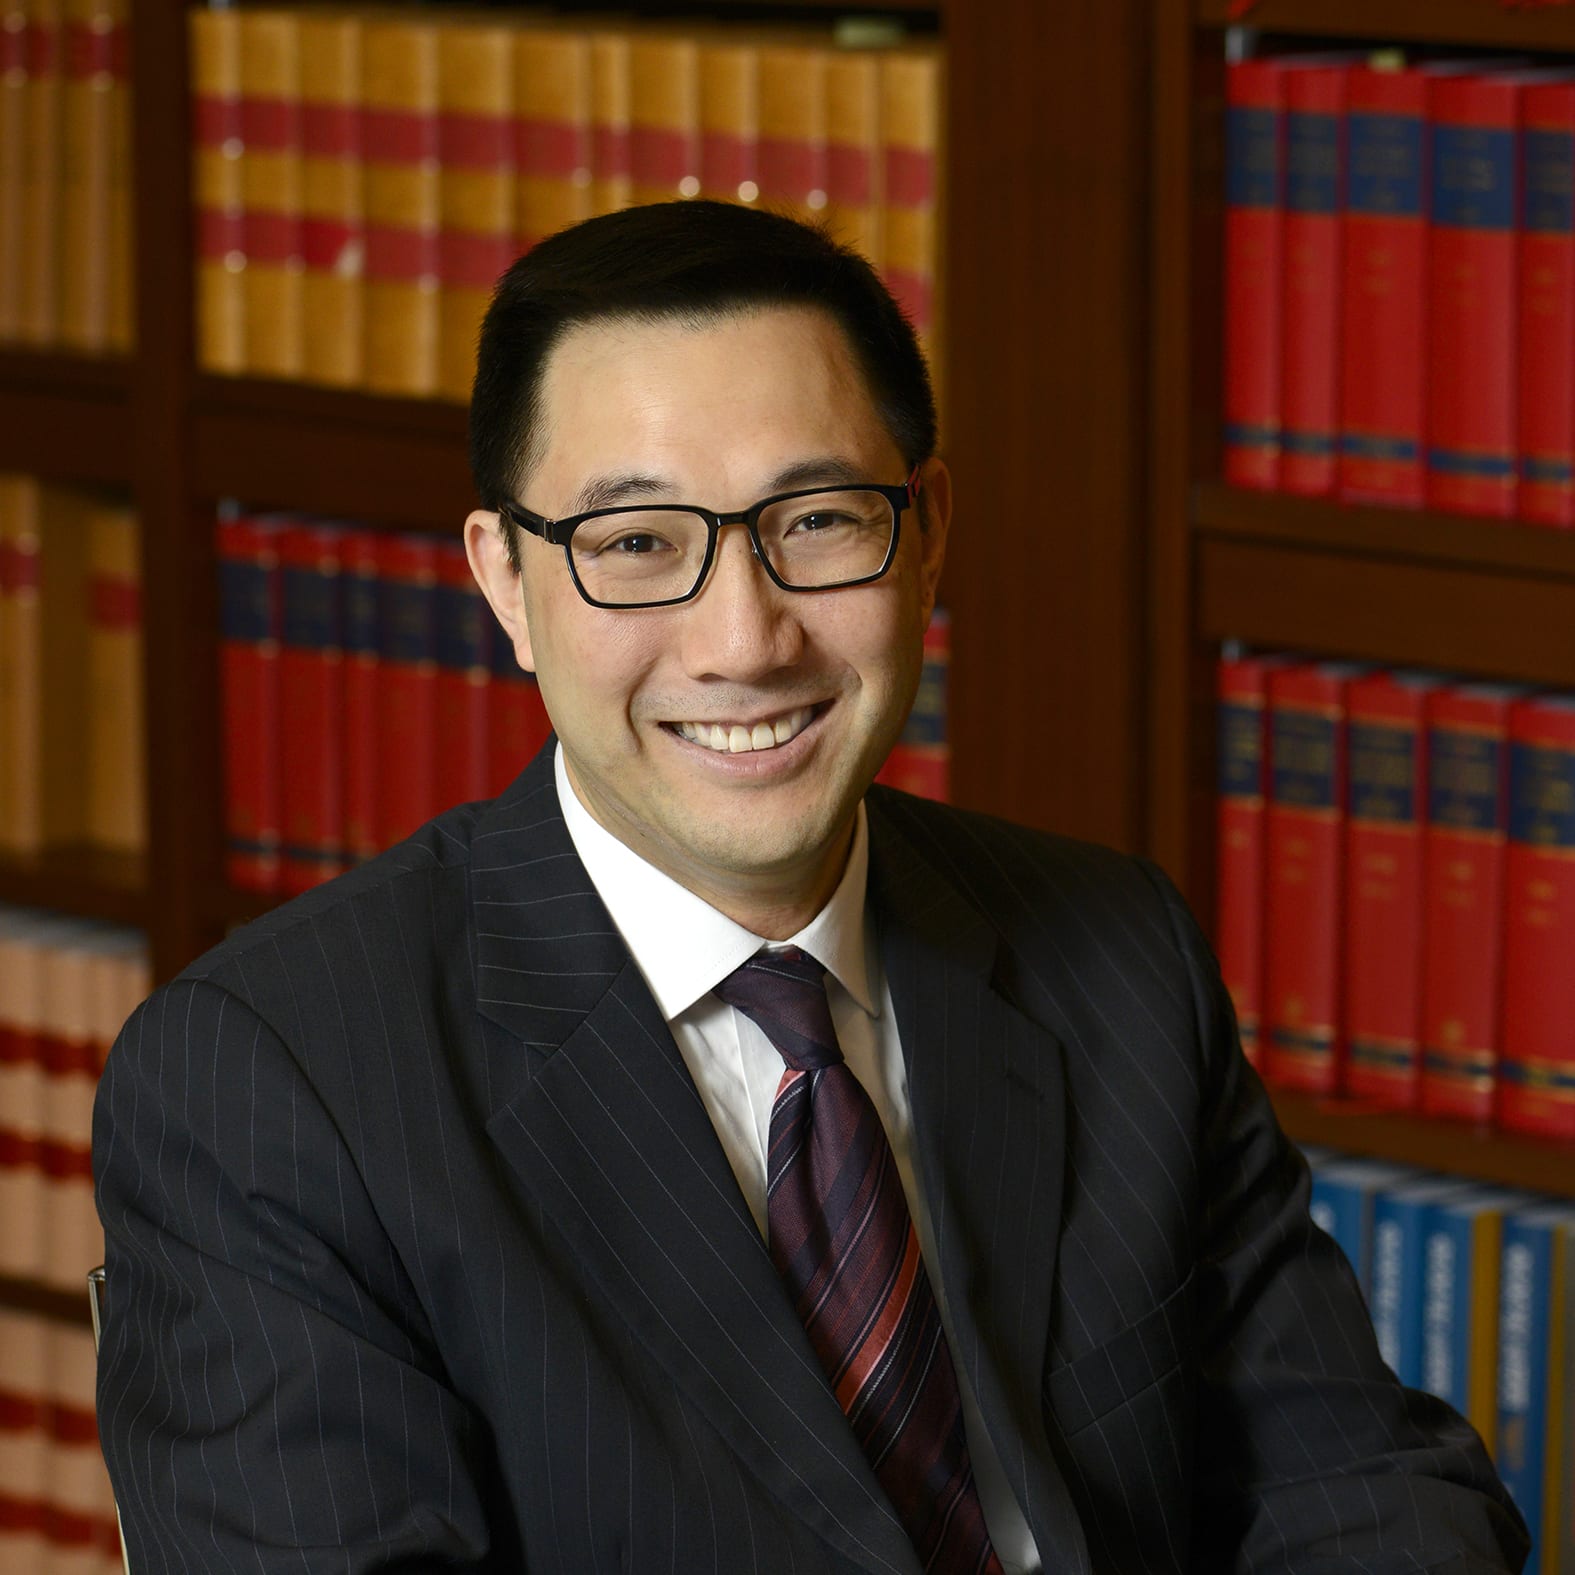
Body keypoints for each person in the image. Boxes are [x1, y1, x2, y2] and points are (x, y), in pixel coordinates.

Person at [93, 200, 1528, 1574]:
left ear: (929, 529)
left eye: (820, 520)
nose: (745, 640)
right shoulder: (272, 1086)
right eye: (636, 544)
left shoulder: (1114, 953)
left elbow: (1358, 1489)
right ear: (507, 585)